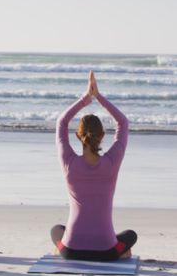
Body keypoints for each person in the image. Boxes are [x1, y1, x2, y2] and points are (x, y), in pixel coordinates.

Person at [50, 71, 137, 261]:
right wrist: (98, 96)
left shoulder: (69, 162)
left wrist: (86, 98)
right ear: (102, 136)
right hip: (106, 251)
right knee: (130, 235)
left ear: (78, 136)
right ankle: (122, 252)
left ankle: (59, 248)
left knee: (56, 230)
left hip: (71, 250)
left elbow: (61, 122)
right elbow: (123, 122)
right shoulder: (112, 162)